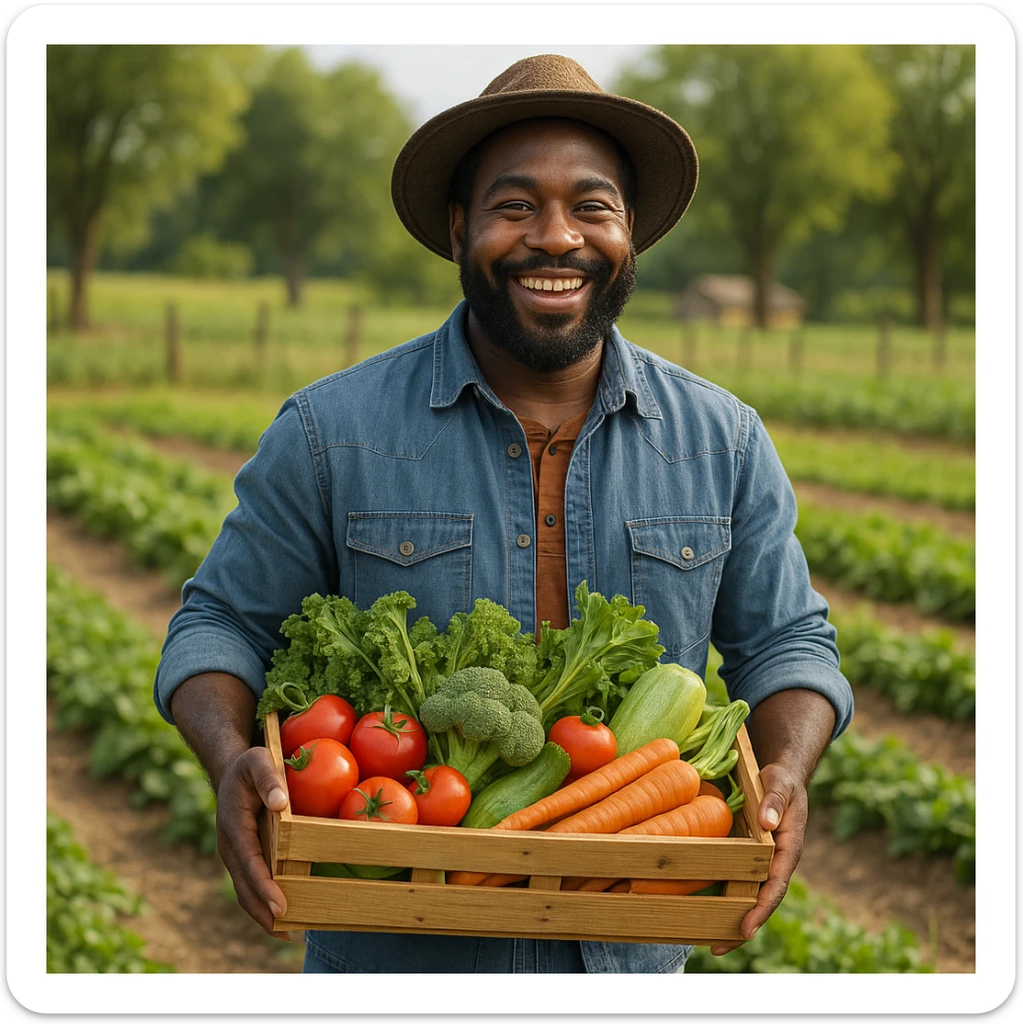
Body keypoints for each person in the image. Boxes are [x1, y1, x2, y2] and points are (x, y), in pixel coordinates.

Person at [154, 53, 853, 975]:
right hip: (392, 952)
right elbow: (218, 624)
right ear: (459, 229)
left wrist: (787, 774)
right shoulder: (332, 432)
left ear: (629, 232)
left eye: (592, 207)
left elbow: (790, 645)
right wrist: (225, 759)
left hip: (632, 956)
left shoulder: (723, 440)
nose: (556, 238)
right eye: (515, 205)